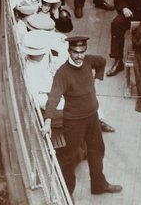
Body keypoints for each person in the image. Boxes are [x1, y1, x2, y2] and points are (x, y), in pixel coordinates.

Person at [42, 34, 121, 197]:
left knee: (97, 150)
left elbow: (102, 62)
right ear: (69, 51)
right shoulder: (62, 73)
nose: (79, 56)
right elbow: (53, 97)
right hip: (74, 122)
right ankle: (67, 194)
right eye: (76, 52)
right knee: (70, 158)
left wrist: (98, 79)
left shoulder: (88, 61)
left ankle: (99, 185)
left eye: (82, 52)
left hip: (92, 118)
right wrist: (48, 121)